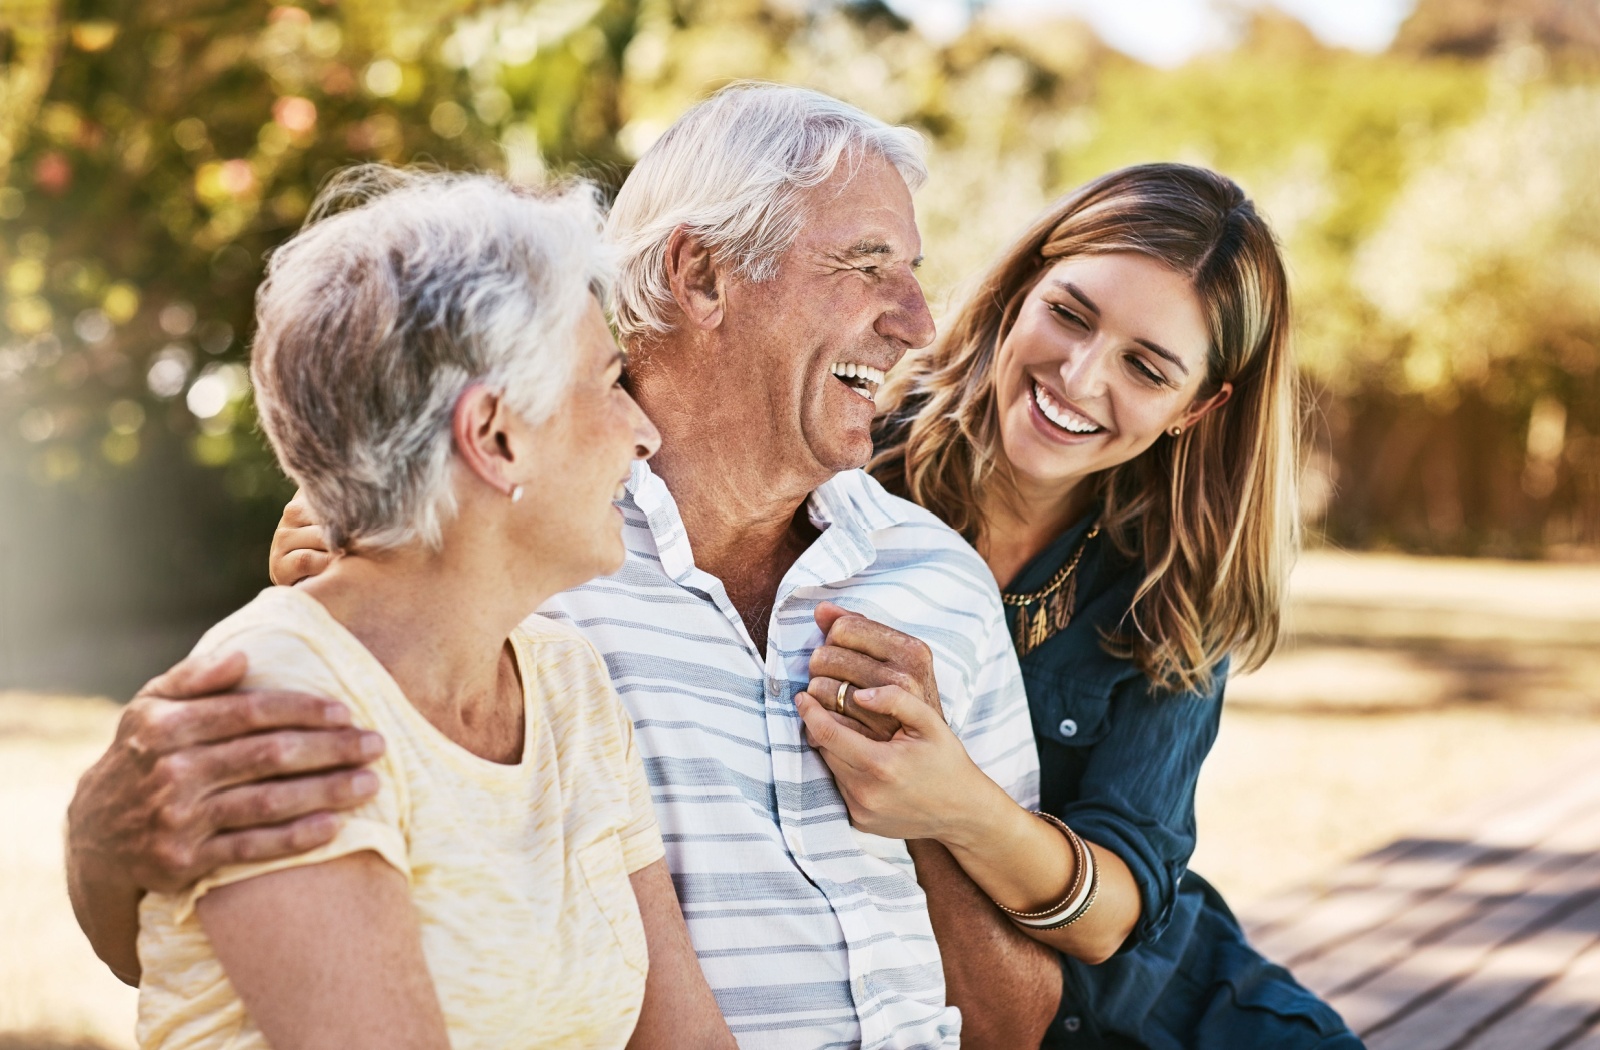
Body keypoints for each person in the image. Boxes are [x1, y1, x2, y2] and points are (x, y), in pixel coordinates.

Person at [66, 85, 1064, 1049]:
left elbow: (1004, 1022)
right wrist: (102, 838)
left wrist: (943, 809)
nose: (919, 322)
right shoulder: (459, 599)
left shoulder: (568, 675)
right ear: (703, 275)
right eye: (865, 264)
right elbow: (210, 871)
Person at [115, 167, 738, 1049]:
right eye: (608, 384)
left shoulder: (568, 686)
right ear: (494, 437)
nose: (645, 432)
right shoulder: (279, 701)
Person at [793, 163, 1364, 1049]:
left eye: (1146, 366)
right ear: (1023, 289)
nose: (1080, 376)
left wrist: (955, 805)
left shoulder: (1175, 579)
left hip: (1168, 1007)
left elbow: (1115, 910)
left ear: (1197, 407)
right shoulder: (850, 467)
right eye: (1069, 313)